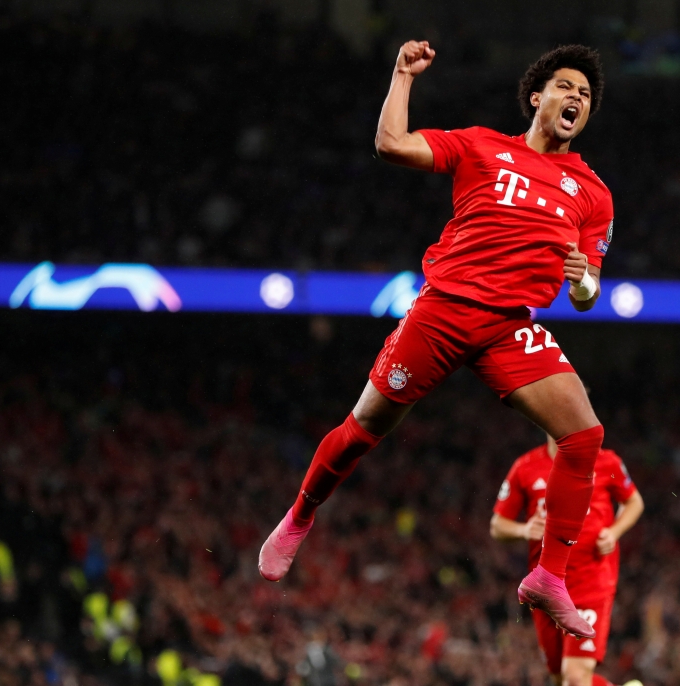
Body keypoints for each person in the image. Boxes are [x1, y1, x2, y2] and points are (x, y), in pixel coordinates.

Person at [259, 40, 616, 639]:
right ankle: (300, 513)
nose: (575, 98)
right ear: (537, 97)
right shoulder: (481, 146)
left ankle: (549, 576)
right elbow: (391, 145)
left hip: (511, 326)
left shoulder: (593, 194)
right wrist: (402, 76)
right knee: (363, 431)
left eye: (585, 95)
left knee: (585, 435)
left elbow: (588, 293)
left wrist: (584, 282)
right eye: (565, 87)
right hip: (444, 311)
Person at [491, 434, 644, 686]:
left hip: (590, 582)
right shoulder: (525, 466)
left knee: (574, 677)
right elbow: (497, 526)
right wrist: (523, 529)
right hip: (545, 590)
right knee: (560, 678)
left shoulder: (607, 462)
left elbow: (634, 502)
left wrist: (614, 532)